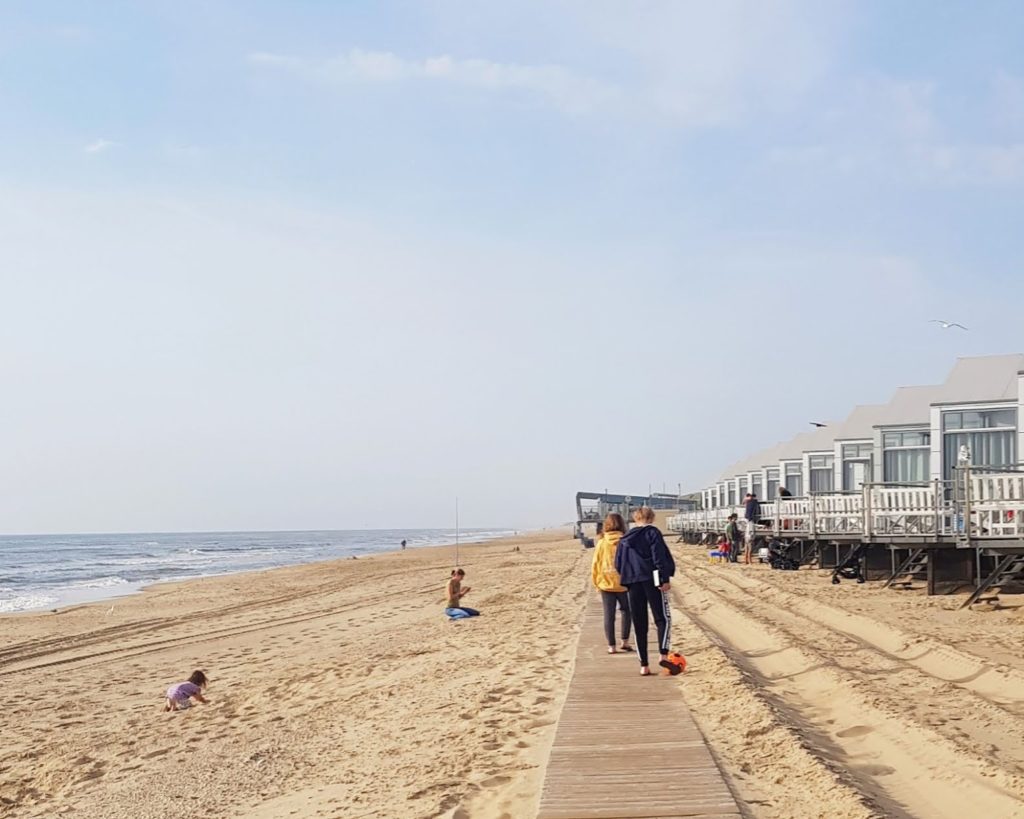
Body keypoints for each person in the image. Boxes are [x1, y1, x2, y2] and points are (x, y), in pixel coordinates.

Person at [614, 506, 678, 676]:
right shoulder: (653, 533)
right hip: (652, 579)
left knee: (639, 622)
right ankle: (663, 653)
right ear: (652, 518)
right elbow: (659, 557)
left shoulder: (625, 538)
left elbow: (618, 563)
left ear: (635, 519)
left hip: (632, 581)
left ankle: (644, 665)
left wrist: (627, 576)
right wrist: (664, 578)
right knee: (662, 618)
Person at [590, 513, 633, 654]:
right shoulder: (626, 541)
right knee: (626, 611)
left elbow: (595, 563)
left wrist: (596, 581)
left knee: (609, 614)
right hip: (624, 582)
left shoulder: (602, 542)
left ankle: (611, 646)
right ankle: (624, 641)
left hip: (606, 582)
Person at [743, 493, 761, 565]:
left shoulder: (748, 502)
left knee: (746, 546)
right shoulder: (754, 503)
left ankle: (746, 560)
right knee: (749, 546)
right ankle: (749, 560)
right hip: (750, 530)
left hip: (748, 528)